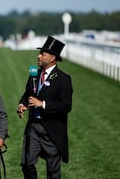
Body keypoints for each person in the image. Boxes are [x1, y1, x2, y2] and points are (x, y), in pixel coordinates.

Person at [16, 36, 73, 179]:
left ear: (53, 58)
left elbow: (66, 106)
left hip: (52, 131)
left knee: (53, 171)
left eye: (43, 54)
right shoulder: (34, 75)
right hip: (33, 128)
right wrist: (22, 104)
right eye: (39, 53)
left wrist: (43, 104)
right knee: (26, 163)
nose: (39, 56)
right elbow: (27, 94)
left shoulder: (63, 79)